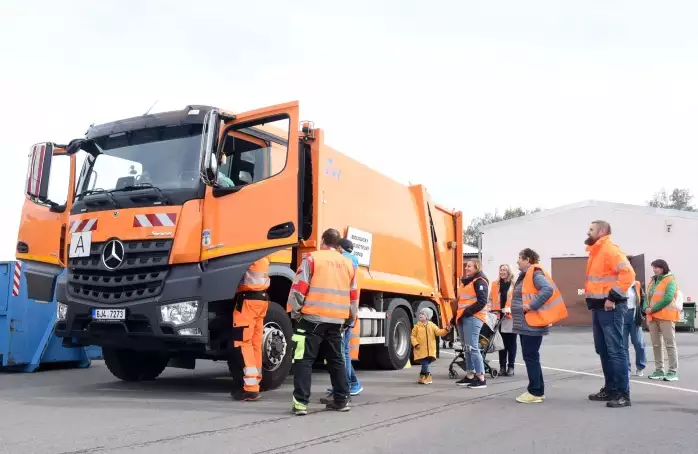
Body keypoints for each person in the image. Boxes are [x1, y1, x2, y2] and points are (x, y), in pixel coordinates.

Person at [287, 228, 359, 416]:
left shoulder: (312, 258)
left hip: (311, 318)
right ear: (338, 244)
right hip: (336, 320)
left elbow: (299, 288)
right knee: (336, 360)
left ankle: (301, 403)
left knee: (303, 360)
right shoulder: (348, 264)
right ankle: (341, 400)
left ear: (322, 241)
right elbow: (353, 295)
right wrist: (351, 317)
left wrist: (295, 313)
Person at [584, 220, 636, 409]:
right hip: (599, 307)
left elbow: (628, 274)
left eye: (591, 229)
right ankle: (611, 388)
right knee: (603, 349)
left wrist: (612, 297)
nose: (588, 232)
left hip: (610, 307)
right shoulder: (596, 251)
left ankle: (623, 394)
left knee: (615, 350)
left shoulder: (610, 249)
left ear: (602, 231)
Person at [512, 248, 568, 403]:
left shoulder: (535, 273)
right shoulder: (526, 275)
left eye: (519, 258)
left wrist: (532, 305)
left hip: (532, 323)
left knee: (530, 356)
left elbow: (547, 289)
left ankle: (535, 392)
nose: (517, 260)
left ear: (527, 260)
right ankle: (537, 390)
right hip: (527, 323)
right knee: (531, 356)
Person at [324, 238, 363, 398]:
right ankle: (351, 383)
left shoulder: (342, 262)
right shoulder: (352, 263)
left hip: (341, 312)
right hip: (347, 312)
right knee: (343, 351)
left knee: (342, 352)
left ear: (340, 248)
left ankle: (345, 385)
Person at [230, 256, 270, 402]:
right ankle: (255, 383)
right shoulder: (264, 255)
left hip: (248, 302)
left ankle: (250, 389)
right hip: (262, 300)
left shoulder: (248, 254)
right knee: (255, 343)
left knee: (243, 342)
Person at [453, 259, 489, 389]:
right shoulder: (466, 282)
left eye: (469, 266)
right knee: (467, 348)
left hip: (473, 317)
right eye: (466, 266)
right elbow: (461, 302)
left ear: (476, 268)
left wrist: (467, 312)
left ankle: (481, 378)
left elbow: (482, 301)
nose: (466, 268)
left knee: (472, 347)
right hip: (463, 317)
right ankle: (470, 375)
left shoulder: (480, 281)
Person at [644, 259, 680, 382]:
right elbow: (646, 297)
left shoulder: (670, 280)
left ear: (663, 268)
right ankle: (659, 370)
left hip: (666, 316)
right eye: (653, 267)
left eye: (657, 267)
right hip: (653, 317)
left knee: (669, 344)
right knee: (656, 345)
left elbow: (668, 298)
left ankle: (672, 371)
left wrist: (652, 309)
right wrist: (645, 307)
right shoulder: (652, 281)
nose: (654, 269)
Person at [411, 307, 451, 384]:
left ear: (427, 317)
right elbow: (413, 336)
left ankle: (427, 377)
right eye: (420, 313)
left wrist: (446, 330)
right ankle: (424, 376)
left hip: (430, 350)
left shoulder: (432, 325)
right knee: (424, 363)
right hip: (421, 350)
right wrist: (416, 344)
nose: (420, 315)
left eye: (423, 314)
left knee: (425, 363)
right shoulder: (416, 326)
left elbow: (439, 332)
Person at [489, 264, 516, 377]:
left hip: (510, 317)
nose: (502, 272)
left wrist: (510, 308)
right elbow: (490, 299)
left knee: (511, 343)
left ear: (509, 271)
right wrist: (490, 308)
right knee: (501, 344)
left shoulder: (514, 284)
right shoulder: (495, 284)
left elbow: (518, 299)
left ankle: (511, 367)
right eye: (501, 270)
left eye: (505, 270)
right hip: (499, 317)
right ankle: (502, 367)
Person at [623, 274, 647, 378]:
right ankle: (626, 368)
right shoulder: (617, 284)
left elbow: (642, 299)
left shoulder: (636, 284)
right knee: (623, 345)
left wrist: (642, 313)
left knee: (638, 343)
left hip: (634, 315)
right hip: (621, 315)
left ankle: (640, 367)